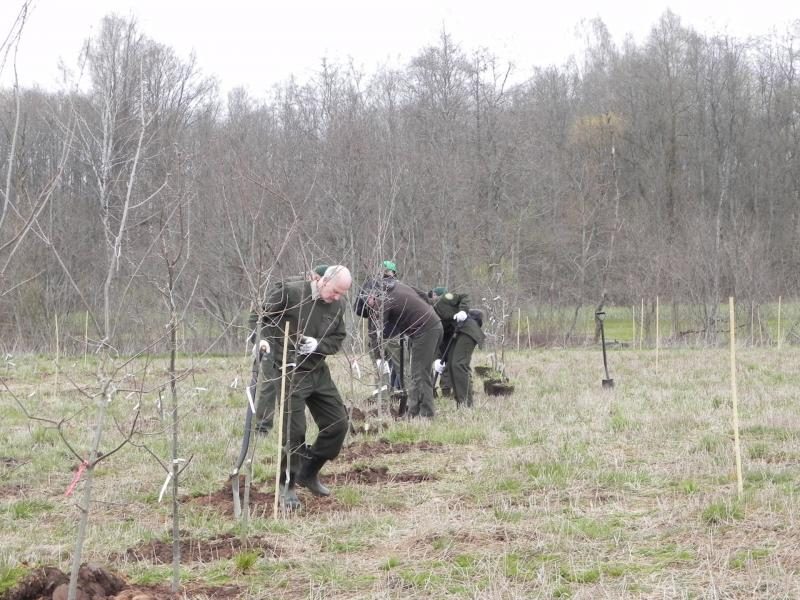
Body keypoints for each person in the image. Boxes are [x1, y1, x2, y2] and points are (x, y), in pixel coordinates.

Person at [250, 265, 352, 509]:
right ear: (323, 280)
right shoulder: (290, 293)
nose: (336, 297)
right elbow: (259, 317)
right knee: (294, 431)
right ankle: (287, 483)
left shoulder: (338, 305)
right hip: (289, 370)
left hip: (318, 371)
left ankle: (309, 471)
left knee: (338, 424)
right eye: (335, 291)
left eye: (341, 294)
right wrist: (261, 340)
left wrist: (318, 344)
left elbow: (337, 338)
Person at [355, 276, 442, 418]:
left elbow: (378, 331)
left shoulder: (383, 300)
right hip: (431, 325)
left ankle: (427, 414)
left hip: (425, 330)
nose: (370, 306)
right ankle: (413, 412)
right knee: (417, 372)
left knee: (420, 373)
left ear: (372, 294)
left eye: (369, 302)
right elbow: (424, 297)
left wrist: (377, 355)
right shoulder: (399, 286)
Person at [428, 287, 470, 397]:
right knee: (445, 362)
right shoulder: (432, 311)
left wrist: (463, 311)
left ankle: (466, 389)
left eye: (433, 295)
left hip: (463, 332)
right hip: (447, 336)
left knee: (459, 363)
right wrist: (436, 359)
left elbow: (464, 296)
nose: (432, 298)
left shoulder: (447, 298)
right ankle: (447, 391)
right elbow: (436, 336)